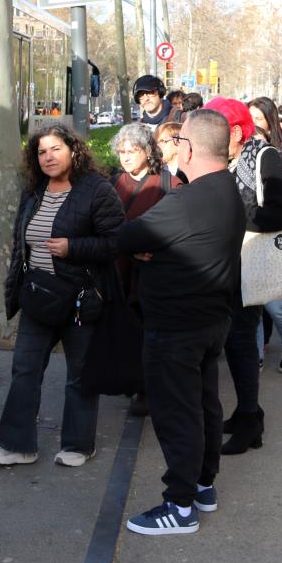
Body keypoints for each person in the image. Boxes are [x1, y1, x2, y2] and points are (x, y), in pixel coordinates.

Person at [118, 110, 246, 535]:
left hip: (176, 326)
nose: (173, 149)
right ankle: (203, 485)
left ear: (189, 149)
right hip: (210, 320)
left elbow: (128, 237)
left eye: (177, 142)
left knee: (178, 414)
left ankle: (180, 505)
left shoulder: (187, 199)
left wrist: (146, 249)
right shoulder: (227, 188)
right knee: (204, 405)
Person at [0, 125, 122, 467]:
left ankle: (79, 445)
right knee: (25, 369)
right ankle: (17, 445)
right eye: (41, 152)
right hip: (38, 296)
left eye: (56, 149)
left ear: (74, 150)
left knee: (79, 374)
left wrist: (73, 247)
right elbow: (21, 243)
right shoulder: (33, 191)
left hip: (79, 299)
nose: (48, 157)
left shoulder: (97, 190)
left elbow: (117, 242)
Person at [204, 98, 282, 456]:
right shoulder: (226, 160)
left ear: (236, 132)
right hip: (229, 266)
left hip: (252, 265)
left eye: (216, 131)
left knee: (242, 340)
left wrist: (235, 221)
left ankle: (248, 421)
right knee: (234, 342)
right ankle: (249, 413)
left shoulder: (263, 156)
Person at [110, 123, 175, 416]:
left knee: (149, 333)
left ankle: (148, 389)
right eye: (121, 151)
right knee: (125, 330)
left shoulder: (168, 184)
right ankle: (132, 380)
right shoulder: (113, 183)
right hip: (118, 268)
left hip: (152, 273)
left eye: (132, 150)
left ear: (148, 151)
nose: (125, 156)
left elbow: (177, 228)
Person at [247, 96, 282, 373]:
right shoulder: (239, 157)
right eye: (249, 119)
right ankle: (256, 353)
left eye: (258, 119)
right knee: (253, 303)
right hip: (247, 243)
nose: (253, 125)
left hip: (274, 240)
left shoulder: (279, 157)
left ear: (271, 124)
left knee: (275, 304)